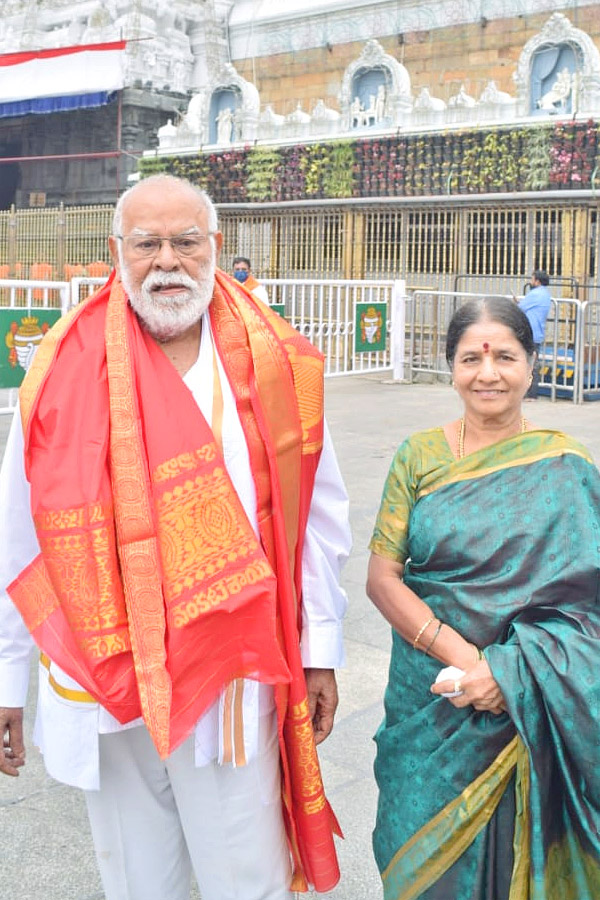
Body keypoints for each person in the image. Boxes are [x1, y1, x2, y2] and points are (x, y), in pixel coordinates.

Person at [0, 174, 351, 900]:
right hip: (106, 669)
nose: (168, 261)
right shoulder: (61, 369)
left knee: (243, 876)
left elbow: (317, 515)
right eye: (147, 243)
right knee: (135, 879)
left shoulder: (274, 362)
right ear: (115, 252)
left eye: (186, 242)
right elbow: (18, 530)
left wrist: (320, 648)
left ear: (215, 247)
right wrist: (7, 678)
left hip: (231, 666)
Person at [366, 296, 600, 899]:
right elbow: (382, 576)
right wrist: (471, 664)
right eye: (471, 357)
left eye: (505, 356)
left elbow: (587, 604)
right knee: (417, 848)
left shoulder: (567, 466)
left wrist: (512, 674)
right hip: (431, 697)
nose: (488, 373)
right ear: (451, 366)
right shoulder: (418, 456)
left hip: (532, 705)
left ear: (532, 364)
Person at [515, 269, 552, 400]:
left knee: (526, 362)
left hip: (529, 332)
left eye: (532, 279)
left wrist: (517, 302)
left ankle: (528, 393)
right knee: (533, 362)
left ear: (537, 281)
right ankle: (532, 393)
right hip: (537, 333)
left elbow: (521, 308)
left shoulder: (534, 294)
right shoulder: (545, 294)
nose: (531, 282)